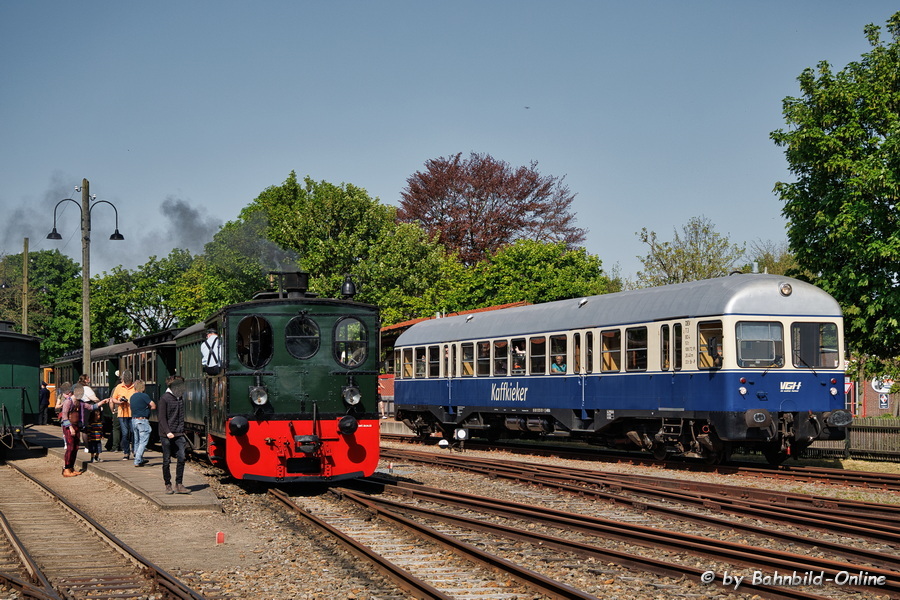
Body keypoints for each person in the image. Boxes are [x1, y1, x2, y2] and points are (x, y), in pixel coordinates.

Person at [59, 383, 108, 476]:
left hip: (77, 426)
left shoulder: (80, 403)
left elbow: (91, 407)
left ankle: (71, 467)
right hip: (69, 426)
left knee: (75, 447)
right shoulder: (68, 402)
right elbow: (64, 416)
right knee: (70, 447)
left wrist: (102, 402)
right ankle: (66, 468)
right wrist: (70, 427)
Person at [158, 376, 190, 494]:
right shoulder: (164, 399)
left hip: (178, 433)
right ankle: (168, 484)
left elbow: (180, 415)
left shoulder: (179, 397)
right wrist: (168, 432)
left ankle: (179, 484)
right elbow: (162, 418)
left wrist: (182, 429)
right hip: (166, 434)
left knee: (181, 457)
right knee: (166, 460)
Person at [129, 379, 156, 467]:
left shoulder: (132, 397)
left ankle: (139, 459)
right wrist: (147, 408)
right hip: (142, 420)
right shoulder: (144, 396)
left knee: (136, 441)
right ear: (143, 387)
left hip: (134, 420)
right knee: (143, 442)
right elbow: (153, 405)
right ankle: (137, 460)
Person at [110, 371, 135, 460]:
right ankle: (126, 452)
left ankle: (134, 450)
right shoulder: (119, 387)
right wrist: (119, 401)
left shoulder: (134, 386)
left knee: (133, 432)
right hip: (122, 413)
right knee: (125, 433)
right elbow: (113, 398)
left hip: (132, 413)